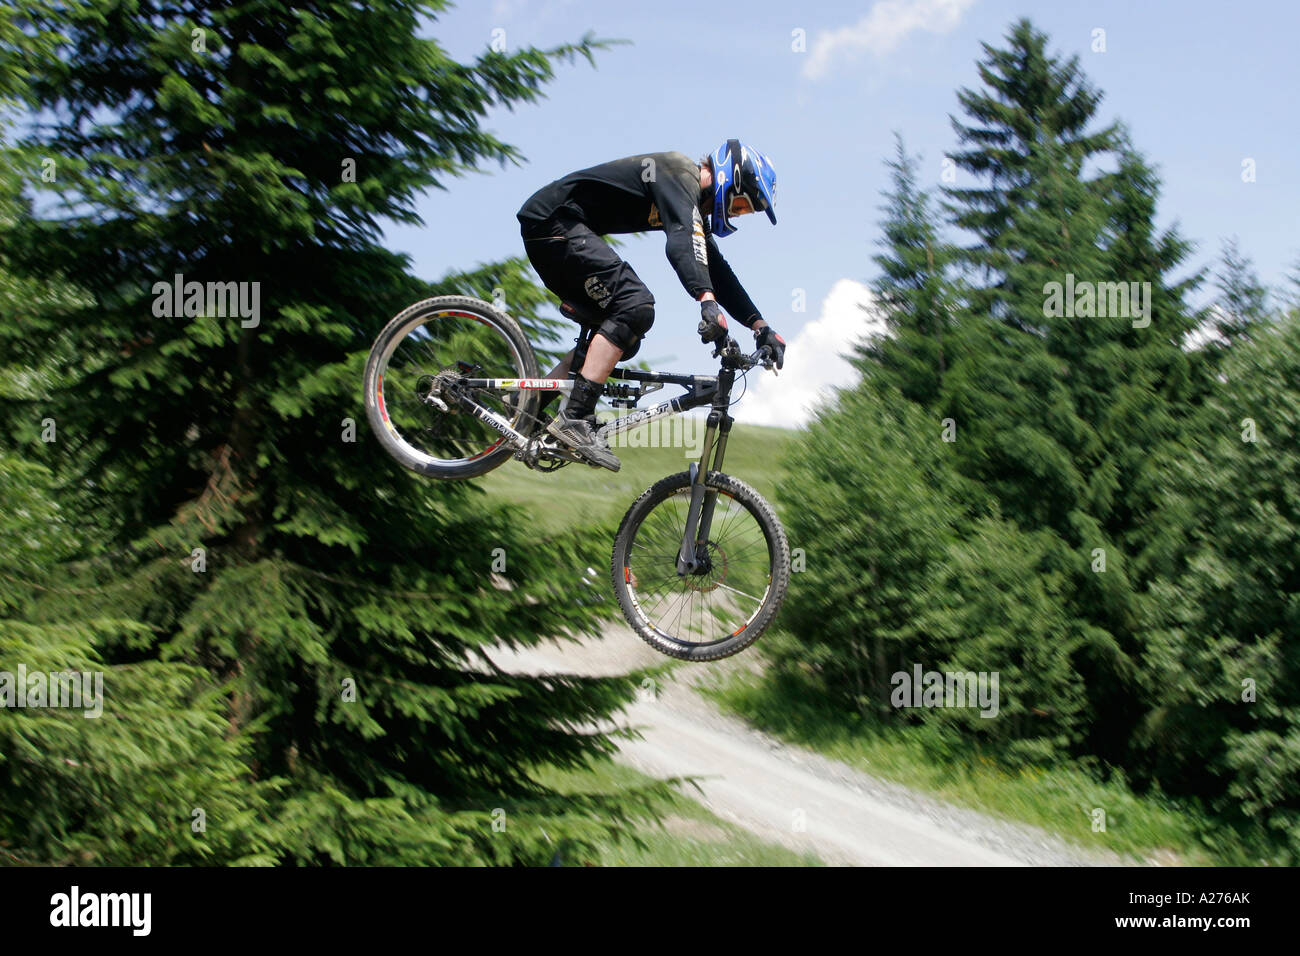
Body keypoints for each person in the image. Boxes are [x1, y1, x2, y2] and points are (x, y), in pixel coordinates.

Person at [516, 139, 786, 471]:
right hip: (553, 221)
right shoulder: (679, 172)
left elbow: (716, 268)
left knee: (618, 337)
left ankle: (527, 405)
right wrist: (706, 300)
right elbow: (682, 244)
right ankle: (575, 418)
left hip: (555, 229)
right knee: (635, 305)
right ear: (730, 180)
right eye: (742, 205)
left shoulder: (686, 201)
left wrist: (760, 326)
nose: (735, 213)